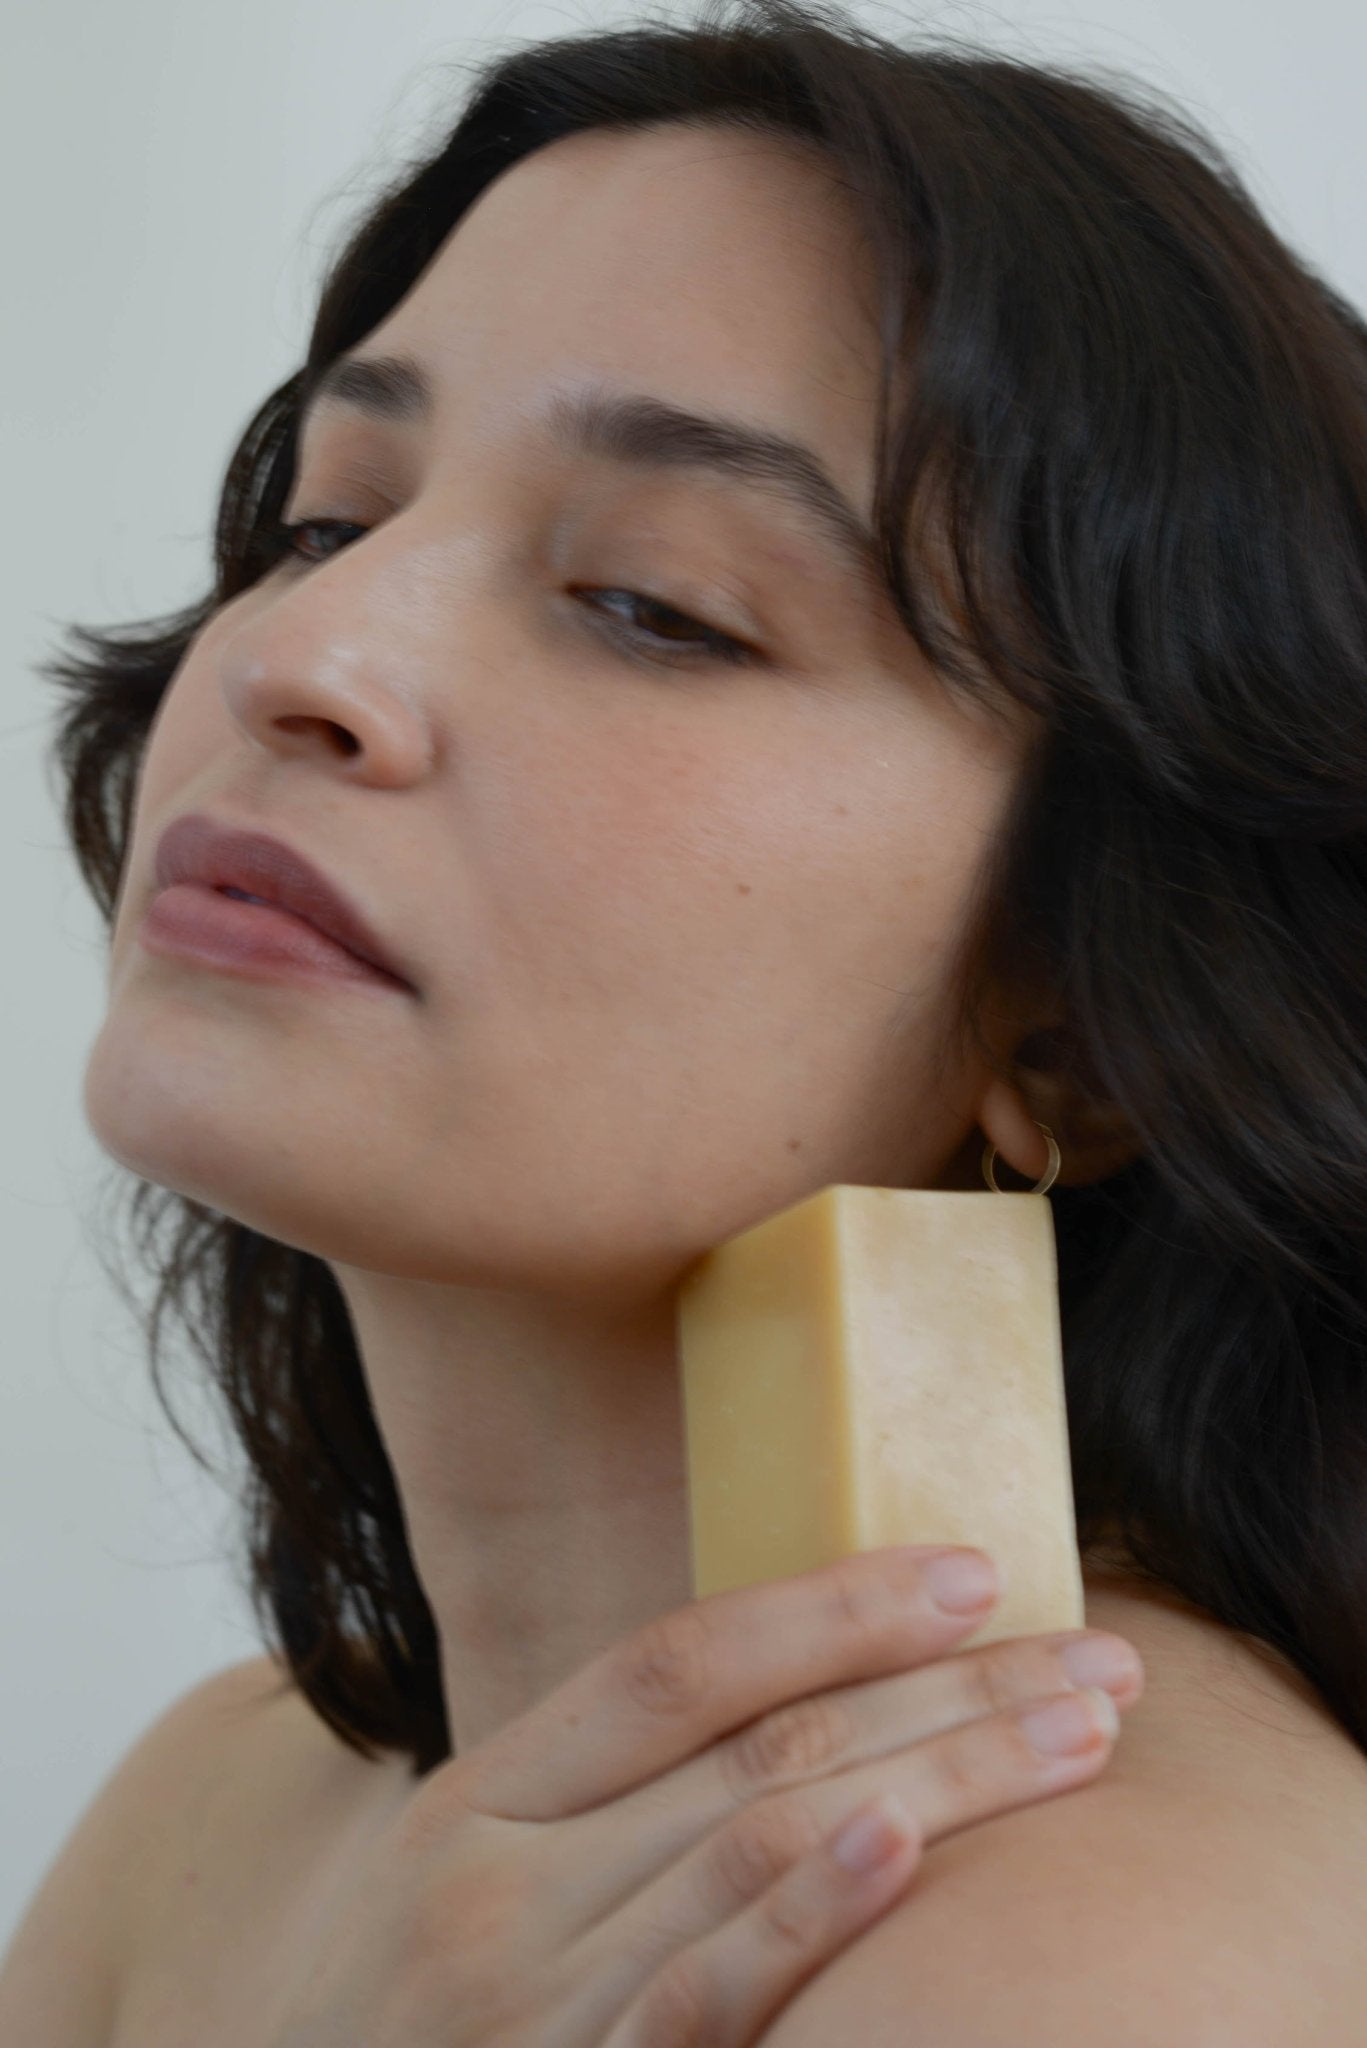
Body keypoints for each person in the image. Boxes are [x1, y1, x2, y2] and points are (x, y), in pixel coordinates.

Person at [6, 0, 1367, 2036]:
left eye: (654, 605)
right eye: (330, 519)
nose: (309, 652)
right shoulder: (220, 1811)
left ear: (1081, 1032)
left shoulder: (1094, 1943)